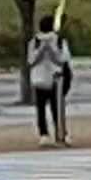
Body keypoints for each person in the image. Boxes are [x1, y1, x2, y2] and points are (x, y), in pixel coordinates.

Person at [23, 11, 72, 140]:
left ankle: (61, 132)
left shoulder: (59, 41)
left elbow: (62, 60)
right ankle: (44, 133)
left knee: (57, 108)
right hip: (40, 80)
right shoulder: (35, 42)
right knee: (41, 109)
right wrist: (41, 50)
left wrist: (51, 50)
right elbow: (31, 61)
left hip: (56, 79)